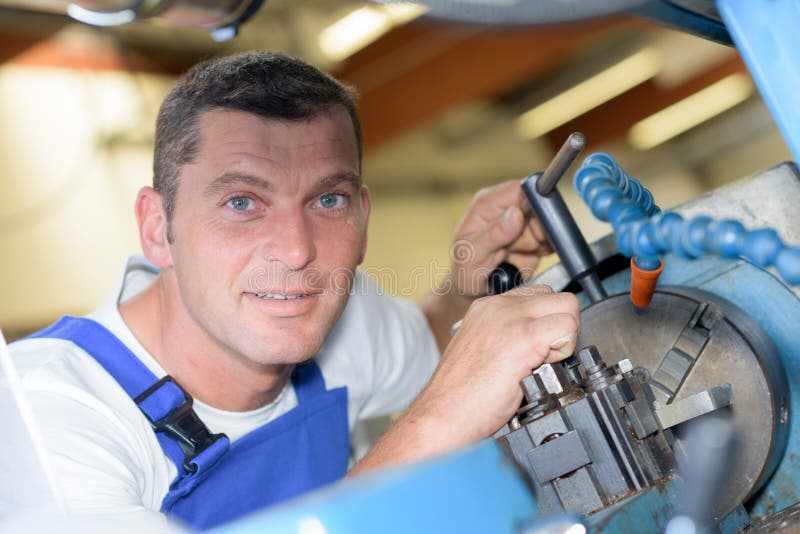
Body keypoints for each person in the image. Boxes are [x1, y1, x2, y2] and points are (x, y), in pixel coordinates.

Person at [8, 51, 579, 531]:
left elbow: (433, 345)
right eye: (242, 202)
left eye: (328, 200)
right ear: (159, 228)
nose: (297, 249)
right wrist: (435, 424)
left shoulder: (343, 316)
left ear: (363, 218)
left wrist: (462, 295)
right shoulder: (49, 414)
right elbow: (451, 393)